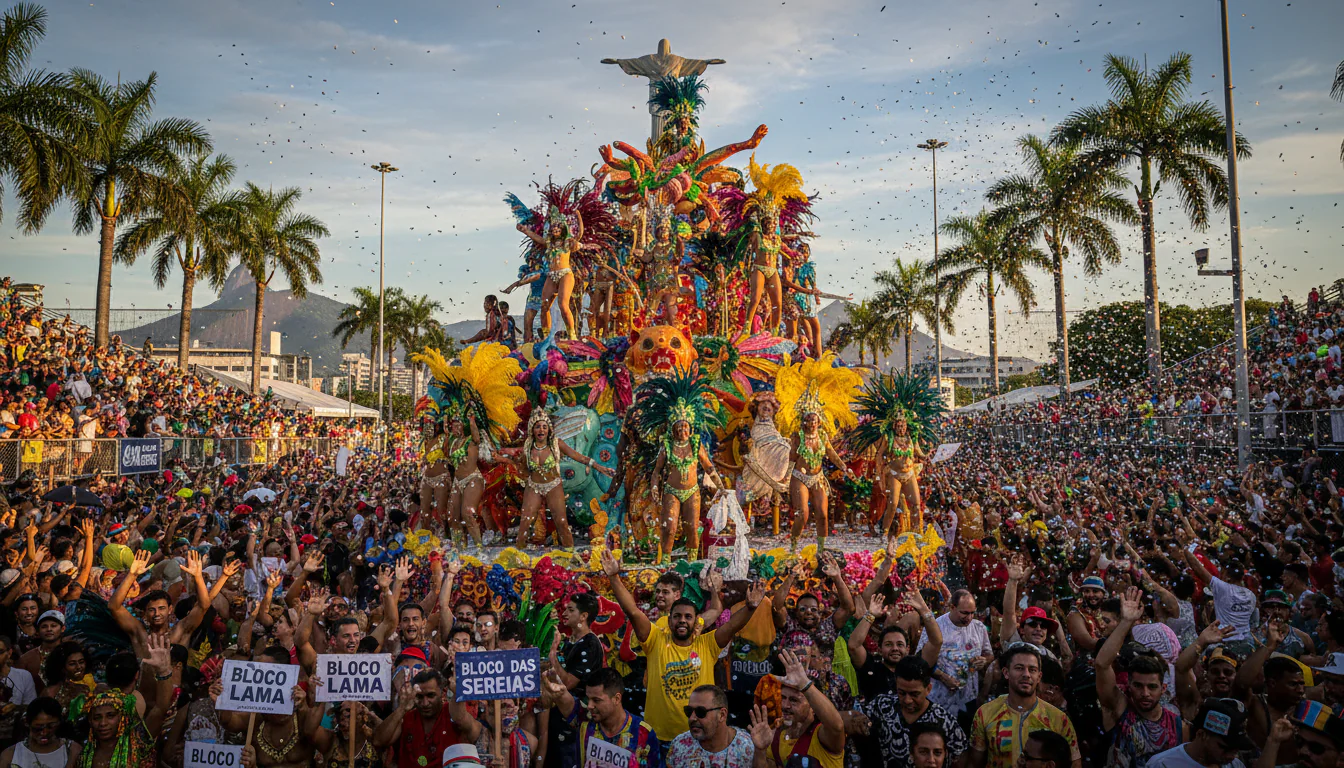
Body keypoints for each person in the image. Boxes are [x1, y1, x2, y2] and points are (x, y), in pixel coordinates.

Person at [602, 549, 765, 746]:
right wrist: (614, 577)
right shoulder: (655, 640)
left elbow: (731, 626)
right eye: (677, 616)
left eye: (688, 617)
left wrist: (750, 607)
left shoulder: (707, 644)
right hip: (659, 739)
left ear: (697, 621)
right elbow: (633, 612)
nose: (682, 620)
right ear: (669, 620)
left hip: (699, 740)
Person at [1097, 588, 1186, 768]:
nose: (1145, 693)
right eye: (1138, 686)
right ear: (1129, 685)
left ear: (1163, 688)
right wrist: (1126, 622)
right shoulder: (1121, 708)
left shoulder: (1179, 726)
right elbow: (1101, 664)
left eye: (1152, 687)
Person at [967, 644, 1081, 768]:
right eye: (1019, 668)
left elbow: (1075, 764)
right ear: (1006, 673)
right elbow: (974, 763)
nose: (1026, 674)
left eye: (1032, 670)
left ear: (1039, 677)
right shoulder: (985, 713)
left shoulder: (1058, 719)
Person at [859, 656, 969, 768]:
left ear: (928, 689)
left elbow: (961, 757)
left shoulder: (945, 721)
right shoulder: (882, 706)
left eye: (914, 694)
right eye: (901, 693)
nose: (907, 700)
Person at [542, 668, 662, 768]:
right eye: (588, 699)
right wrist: (559, 693)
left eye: (596, 700)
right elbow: (568, 705)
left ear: (616, 699)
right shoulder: (586, 721)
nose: (590, 705)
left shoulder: (643, 733)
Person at [747, 648, 846, 768]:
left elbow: (837, 727)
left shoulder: (823, 736)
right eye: (783, 698)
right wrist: (760, 751)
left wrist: (804, 684)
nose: (785, 705)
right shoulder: (775, 737)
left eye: (794, 700)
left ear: (813, 707)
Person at [921, 589, 993, 720]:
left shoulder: (979, 628)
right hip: (938, 698)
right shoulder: (935, 627)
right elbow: (920, 660)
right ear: (952, 607)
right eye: (964, 613)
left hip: (969, 698)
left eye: (972, 613)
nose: (969, 617)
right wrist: (943, 677)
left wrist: (984, 660)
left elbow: (989, 655)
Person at [1145, 698, 1252, 768]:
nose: (1231, 756)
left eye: (1235, 749)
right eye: (1224, 747)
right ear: (1201, 734)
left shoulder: (1235, 765)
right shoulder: (1162, 765)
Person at [666, 685, 754, 768]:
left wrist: (760, 753)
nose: (692, 718)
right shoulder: (678, 745)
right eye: (688, 711)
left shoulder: (747, 748)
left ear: (722, 715)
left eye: (700, 712)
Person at [0, 697, 78, 768]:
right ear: (27, 723)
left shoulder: (72, 751)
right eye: (38, 727)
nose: (44, 732)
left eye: (51, 726)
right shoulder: (11, 756)